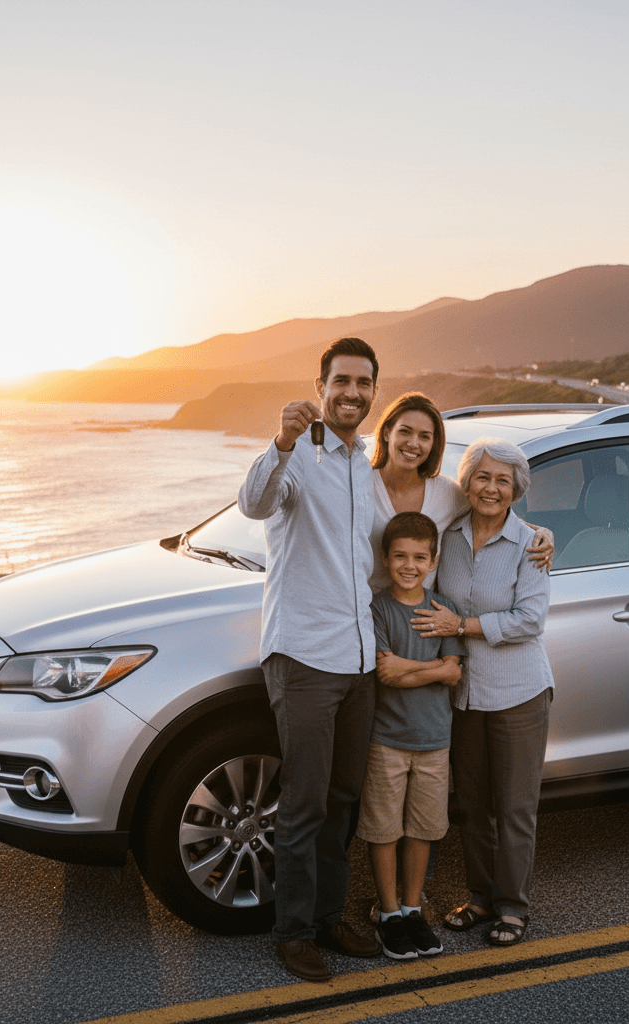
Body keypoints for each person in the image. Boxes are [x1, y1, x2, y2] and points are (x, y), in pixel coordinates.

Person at [238, 337, 383, 982]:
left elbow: (410, 525)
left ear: (373, 390)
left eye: (363, 382)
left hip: (359, 661)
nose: (352, 392)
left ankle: (328, 917)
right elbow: (254, 503)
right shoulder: (297, 456)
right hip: (303, 658)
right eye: (341, 381)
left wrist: (528, 532)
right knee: (304, 804)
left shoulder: (364, 463)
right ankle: (293, 933)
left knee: (343, 798)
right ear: (320, 386)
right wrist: (281, 441)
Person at [411, 437, 555, 947]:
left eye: (503, 480)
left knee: (514, 808)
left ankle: (513, 908)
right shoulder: (447, 536)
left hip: (519, 692)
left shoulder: (531, 544)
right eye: (482, 477)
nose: (491, 488)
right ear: (467, 482)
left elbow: (530, 619)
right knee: (472, 805)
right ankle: (480, 898)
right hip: (464, 694)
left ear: (517, 489)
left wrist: (462, 626)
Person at [356, 511, 464, 960]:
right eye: (400, 556)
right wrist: (434, 668)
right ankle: (388, 914)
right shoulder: (378, 608)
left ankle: (412, 908)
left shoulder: (442, 610)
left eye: (420, 557)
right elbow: (385, 673)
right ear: (385, 558)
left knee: (423, 828)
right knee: (383, 829)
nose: (409, 565)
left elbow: (454, 673)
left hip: (435, 740)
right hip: (387, 740)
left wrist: (412, 667)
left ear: (433, 560)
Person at [368, 392, 554, 594]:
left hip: (424, 611)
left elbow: (491, 509)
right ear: (387, 433)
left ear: (433, 443)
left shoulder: (446, 493)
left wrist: (541, 532)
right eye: (405, 431)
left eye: (424, 436)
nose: (413, 443)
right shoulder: (360, 485)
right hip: (365, 609)